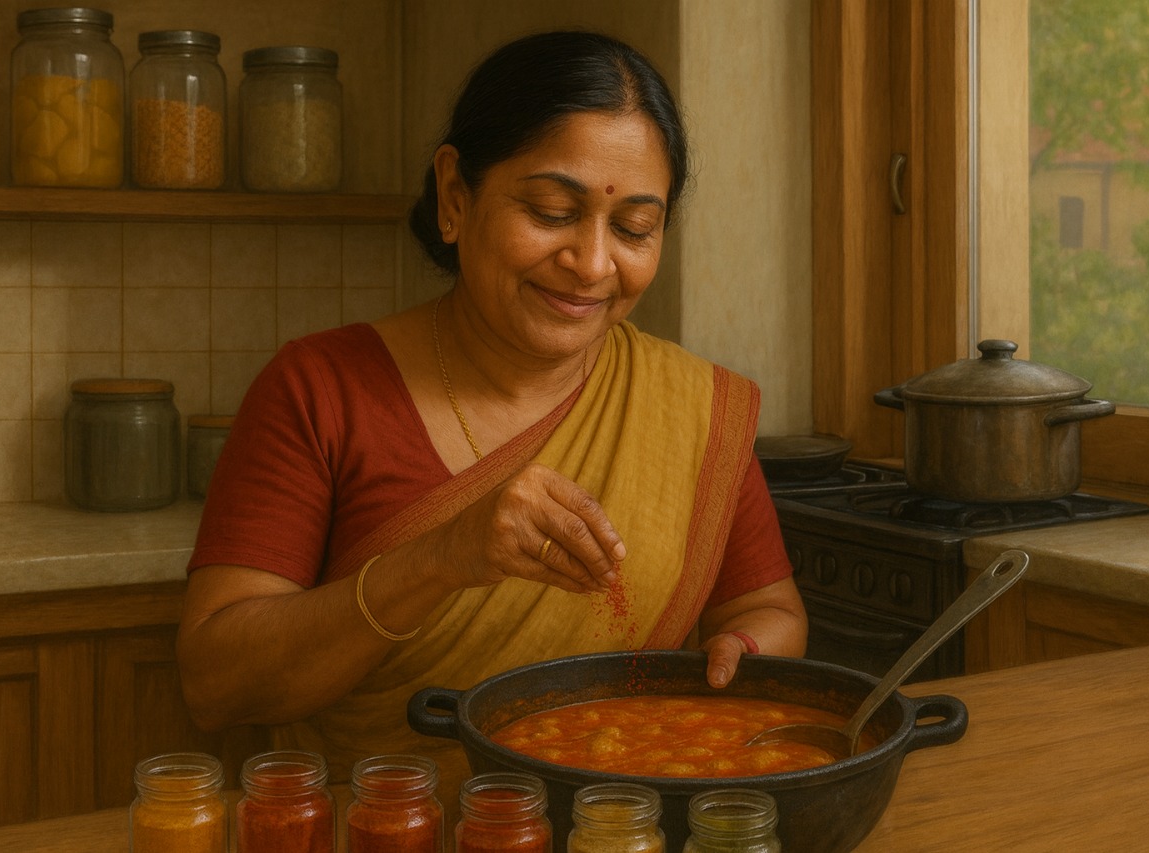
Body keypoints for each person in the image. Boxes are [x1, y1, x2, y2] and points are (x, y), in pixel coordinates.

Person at [176, 30, 807, 790]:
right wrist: (442, 558)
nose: (594, 262)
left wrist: (742, 651)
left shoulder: (695, 408)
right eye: (549, 211)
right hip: (385, 831)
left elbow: (769, 608)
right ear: (454, 196)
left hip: (621, 826)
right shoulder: (319, 389)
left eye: (636, 227)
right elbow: (217, 684)